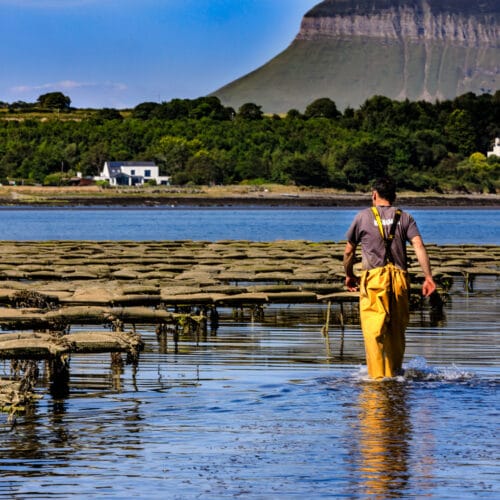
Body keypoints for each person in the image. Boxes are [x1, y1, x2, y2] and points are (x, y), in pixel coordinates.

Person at [343, 177, 436, 379]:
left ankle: (378, 380)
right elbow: (419, 246)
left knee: (373, 332)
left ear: (374, 195)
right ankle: (395, 375)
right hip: (400, 278)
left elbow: (349, 252)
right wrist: (428, 276)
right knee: (396, 330)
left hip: (374, 279)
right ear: (394, 196)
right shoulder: (405, 217)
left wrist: (349, 275)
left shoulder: (362, 217)